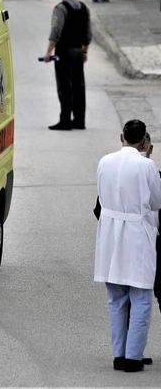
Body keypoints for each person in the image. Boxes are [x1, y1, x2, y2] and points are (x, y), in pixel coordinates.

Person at [95, 120, 161, 372]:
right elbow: (156, 202)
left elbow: (101, 197)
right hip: (137, 233)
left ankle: (118, 355)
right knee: (141, 296)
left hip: (110, 233)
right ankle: (133, 356)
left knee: (116, 298)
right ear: (144, 142)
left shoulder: (104, 161)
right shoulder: (147, 166)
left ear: (121, 137)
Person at [43, 0, 92, 131]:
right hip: (78, 51)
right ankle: (79, 120)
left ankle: (65, 120)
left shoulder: (60, 8)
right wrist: (85, 51)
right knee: (78, 85)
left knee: (64, 86)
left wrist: (48, 52)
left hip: (64, 51)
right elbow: (88, 32)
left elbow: (55, 30)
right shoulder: (84, 7)